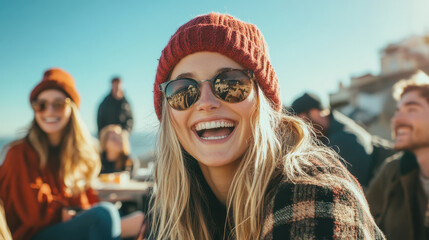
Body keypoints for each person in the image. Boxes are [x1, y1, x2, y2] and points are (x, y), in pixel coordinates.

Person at [149, 13, 384, 240]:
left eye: (231, 82)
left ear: (265, 104)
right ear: (168, 113)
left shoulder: (313, 191)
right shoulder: (175, 206)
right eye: (182, 90)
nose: (206, 103)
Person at [0, 68, 144, 240]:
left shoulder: (76, 156)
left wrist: (82, 212)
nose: (49, 111)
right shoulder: (18, 154)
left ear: (72, 109)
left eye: (59, 104)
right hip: (32, 235)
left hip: (69, 229)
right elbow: (34, 214)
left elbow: (88, 201)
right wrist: (78, 212)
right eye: (41, 104)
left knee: (140, 219)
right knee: (105, 215)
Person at [366, 70, 429, 240]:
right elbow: (360, 217)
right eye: (397, 111)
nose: (397, 119)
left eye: (411, 109)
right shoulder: (392, 170)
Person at [291, 92, 394, 188]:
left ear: (315, 112)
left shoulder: (343, 140)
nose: (303, 129)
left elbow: (344, 189)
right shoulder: (335, 131)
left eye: (303, 121)